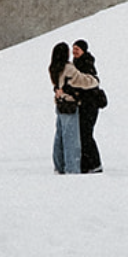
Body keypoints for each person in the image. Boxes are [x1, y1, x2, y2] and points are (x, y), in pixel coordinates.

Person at [48, 41, 93, 174]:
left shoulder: (53, 68)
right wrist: (94, 80)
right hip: (69, 105)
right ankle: (72, 168)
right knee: (71, 139)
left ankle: (59, 165)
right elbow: (82, 81)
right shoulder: (69, 68)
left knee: (59, 137)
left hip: (59, 104)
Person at [72, 39, 104, 173]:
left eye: (77, 49)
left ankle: (94, 164)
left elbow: (88, 83)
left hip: (90, 105)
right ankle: (87, 163)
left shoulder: (86, 65)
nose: (74, 51)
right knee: (83, 134)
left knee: (86, 134)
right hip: (83, 105)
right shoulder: (76, 64)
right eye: (73, 48)